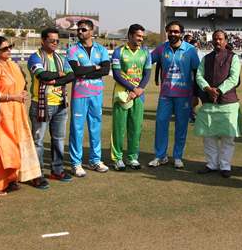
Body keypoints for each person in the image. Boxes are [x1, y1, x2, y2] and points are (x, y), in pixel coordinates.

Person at [0, 37, 41, 196]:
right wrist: (12, 97)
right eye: (5, 48)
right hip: (1, 113)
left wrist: (22, 92)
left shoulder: (13, 64)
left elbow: (21, 84)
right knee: (2, 149)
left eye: (11, 46)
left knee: (17, 146)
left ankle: (11, 180)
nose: (9, 50)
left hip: (17, 112)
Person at [148, 20, 200, 169]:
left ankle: (178, 156)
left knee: (181, 126)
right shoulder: (161, 49)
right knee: (161, 124)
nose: (173, 34)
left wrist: (195, 95)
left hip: (184, 95)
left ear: (181, 33)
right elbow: (146, 61)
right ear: (167, 32)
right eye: (170, 31)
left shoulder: (190, 50)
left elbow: (197, 72)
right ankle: (160, 155)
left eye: (176, 31)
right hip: (165, 94)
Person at [28, 28, 75, 189]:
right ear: (43, 41)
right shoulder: (35, 57)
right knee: (38, 141)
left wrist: (55, 80)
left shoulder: (60, 58)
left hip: (60, 104)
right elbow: (42, 75)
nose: (55, 43)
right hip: (41, 104)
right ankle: (37, 174)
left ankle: (57, 170)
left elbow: (71, 76)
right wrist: (60, 75)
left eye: (57, 41)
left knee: (58, 139)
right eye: (52, 41)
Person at [195, 30, 242, 178]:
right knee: (209, 136)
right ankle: (211, 164)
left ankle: (225, 165)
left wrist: (219, 90)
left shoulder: (233, 57)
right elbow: (198, 75)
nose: (217, 41)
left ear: (226, 40)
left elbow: (234, 78)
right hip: (209, 102)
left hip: (228, 103)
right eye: (215, 39)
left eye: (220, 39)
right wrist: (208, 89)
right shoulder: (206, 58)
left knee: (228, 138)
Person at [67, 19, 110, 175]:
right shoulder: (72, 50)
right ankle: (76, 163)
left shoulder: (101, 49)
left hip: (96, 95)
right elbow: (76, 71)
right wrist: (94, 67)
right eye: (78, 30)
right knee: (77, 128)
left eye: (83, 30)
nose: (80, 32)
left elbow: (105, 70)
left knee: (95, 127)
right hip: (79, 95)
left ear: (92, 31)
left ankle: (95, 160)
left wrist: (86, 71)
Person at [110, 24, 152, 171]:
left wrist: (139, 90)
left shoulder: (146, 52)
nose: (141, 39)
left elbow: (147, 74)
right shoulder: (118, 52)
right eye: (138, 36)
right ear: (130, 35)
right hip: (122, 95)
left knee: (136, 128)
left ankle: (133, 158)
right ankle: (118, 158)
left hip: (138, 96)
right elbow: (116, 74)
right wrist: (133, 89)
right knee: (119, 128)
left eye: (142, 36)